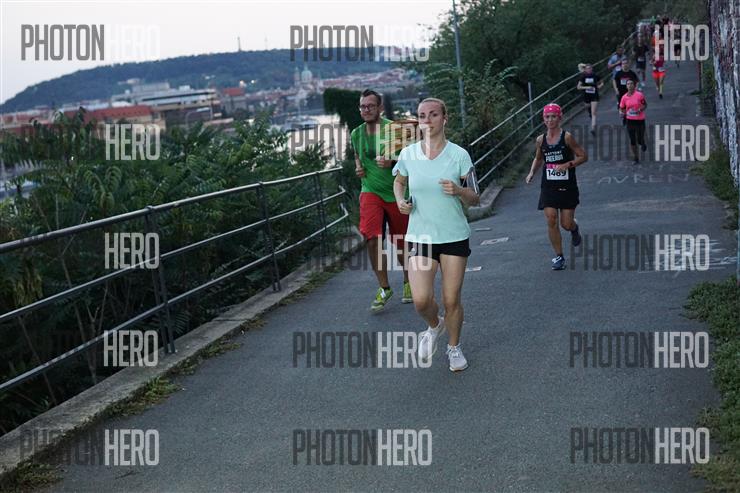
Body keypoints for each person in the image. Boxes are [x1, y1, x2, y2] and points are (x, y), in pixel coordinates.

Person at [392, 97, 480, 372]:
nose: (427, 120)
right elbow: (399, 181)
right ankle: (434, 326)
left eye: (433, 115)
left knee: (451, 299)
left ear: (444, 118)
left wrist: (459, 190)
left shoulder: (459, 155)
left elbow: (475, 197)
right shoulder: (408, 154)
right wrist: (400, 201)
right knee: (420, 300)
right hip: (421, 236)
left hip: (453, 235)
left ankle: (454, 348)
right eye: (422, 116)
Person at [351, 89, 412, 312]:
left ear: (380, 108)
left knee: (401, 241)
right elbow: (358, 156)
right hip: (370, 191)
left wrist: (392, 162)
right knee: (371, 237)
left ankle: (409, 282)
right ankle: (384, 288)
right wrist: (358, 168)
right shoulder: (356, 133)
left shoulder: (394, 130)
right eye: (363, 106)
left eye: (370, 106)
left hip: (396, 191)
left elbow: (410, 158)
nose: (366, 110)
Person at [525, 103, 588, 270]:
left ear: (560, 118)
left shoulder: (567, 137)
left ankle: (574, 228)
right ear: (543, 119)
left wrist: (568, 164)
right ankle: (559, 256)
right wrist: (531, 173)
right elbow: (538, 158)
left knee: (565, 224)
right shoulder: (541, 140)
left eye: (553, 116)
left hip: (567, 186)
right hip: (549, 186)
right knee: (551, 219)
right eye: (547, 117)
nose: (550, 120)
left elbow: (583, 156)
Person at [619, 79, 648, 164]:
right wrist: (622, 112)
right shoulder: (624, 97)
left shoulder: (639, 95)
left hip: (640, 120)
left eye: (631, 83)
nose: (630, 85)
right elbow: (622, 108)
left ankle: (642, 142)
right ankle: (636, 157)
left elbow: (645, 105)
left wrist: (640, 109)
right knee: (632, 140)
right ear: (626, 86)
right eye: (628, 84)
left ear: (634, 85)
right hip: (630, 120)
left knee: (639, 138)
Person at [576, 63, 604, 135]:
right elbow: (578, 87)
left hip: (594, 95)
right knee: (589, 109)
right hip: (586, 95)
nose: (589, 70)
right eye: (587, 68)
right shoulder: (583, 76)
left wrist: (600, 86)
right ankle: (590, 114)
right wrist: (587, 87)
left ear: (592, 69)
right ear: (585, 69)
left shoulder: (595, 75)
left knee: (593, 112)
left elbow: (602, 82)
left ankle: (593, 128)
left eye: (590, 68)